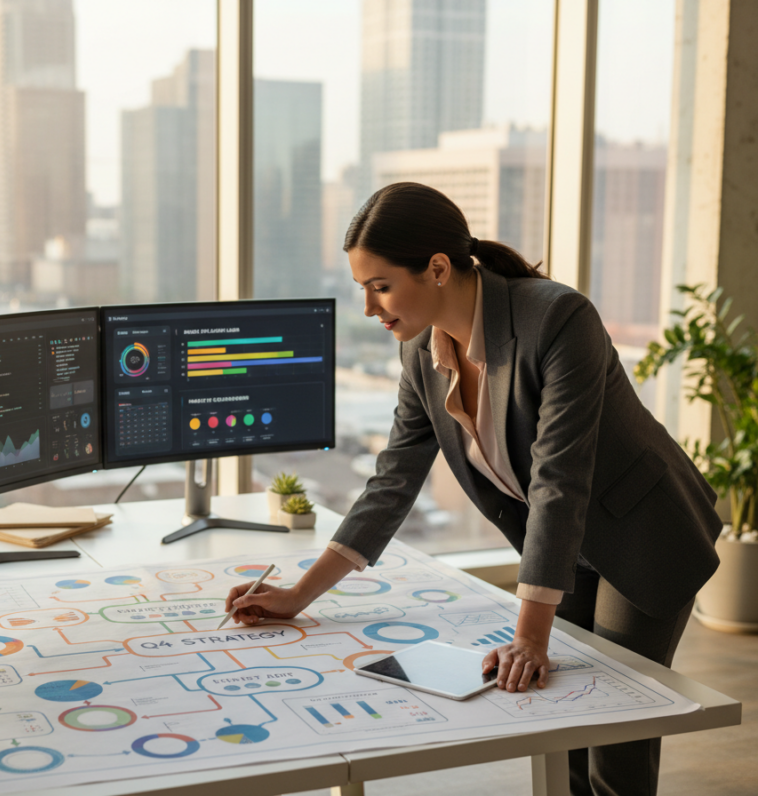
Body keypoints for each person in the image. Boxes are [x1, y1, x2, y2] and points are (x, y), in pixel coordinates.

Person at [224, 182, 722, 796]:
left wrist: (530, 635)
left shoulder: (559, 318)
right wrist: (299, 594)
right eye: (362, 289)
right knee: (558, 722)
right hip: (560, 543)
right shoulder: (420, 355)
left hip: (640, 532)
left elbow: (559, 478)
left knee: (612, 738)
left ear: (436, 269)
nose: (369, 308)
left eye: (380, 286)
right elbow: (394, 479)